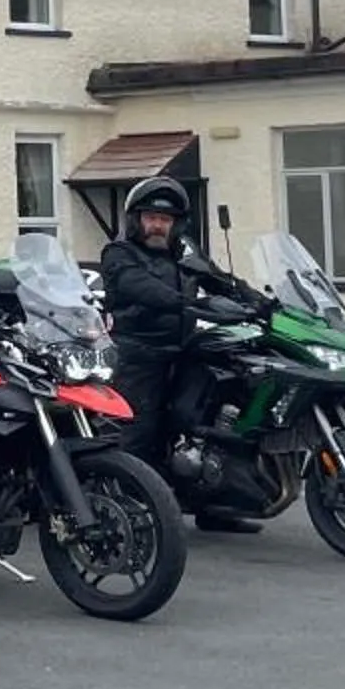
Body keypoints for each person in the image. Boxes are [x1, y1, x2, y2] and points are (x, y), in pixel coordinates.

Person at [97, 175, 262, 533]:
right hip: (138, 352)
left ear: (176, 224)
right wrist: (189, 303)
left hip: (184, 349)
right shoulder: (120, 253)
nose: (158, 225)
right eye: (151, 217)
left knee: (215, 418)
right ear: (136, 219)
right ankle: (129, 507)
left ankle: (217, 502)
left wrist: (259, 303)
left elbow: (219, 279)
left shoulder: (185, 252)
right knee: (139, 428)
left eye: (165, 219)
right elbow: (140, 287)